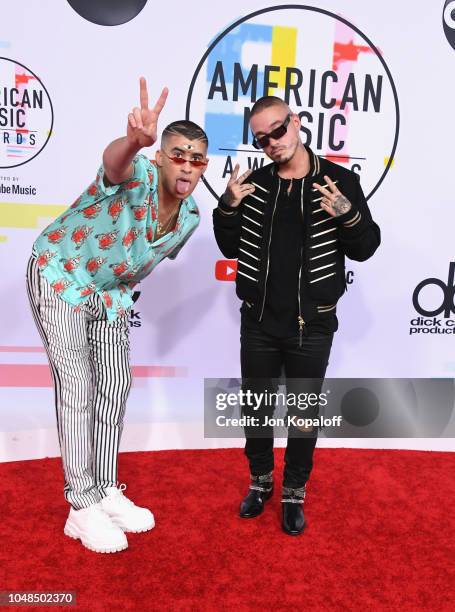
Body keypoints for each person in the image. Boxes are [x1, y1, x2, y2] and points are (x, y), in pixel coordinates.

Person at [26, 77, 209, 553]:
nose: (187, 166)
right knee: (78, 386)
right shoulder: (137, 173)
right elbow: (113, 164)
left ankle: (105, 489)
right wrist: (132, 140)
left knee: (115, 383)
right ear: (161, 157)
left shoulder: (189, 218)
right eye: (178, 155)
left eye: (197, 159)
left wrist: (112, 296)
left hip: (109, 295)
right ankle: (80, 505)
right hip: (59, 274)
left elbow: (134, 261)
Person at [212, 95, 380, 535]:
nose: (271, 142)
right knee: (257, 412)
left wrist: (347, 213)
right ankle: (261, 482)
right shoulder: (255, 184)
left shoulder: (339, 180)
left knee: (304, 415)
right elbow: (229, 247)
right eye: (261, 137)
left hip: (314, 325)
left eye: (278, 130)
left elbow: (365, 248)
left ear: (298, 122)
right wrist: (227, 207)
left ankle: (293, 492)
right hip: (260, 323)